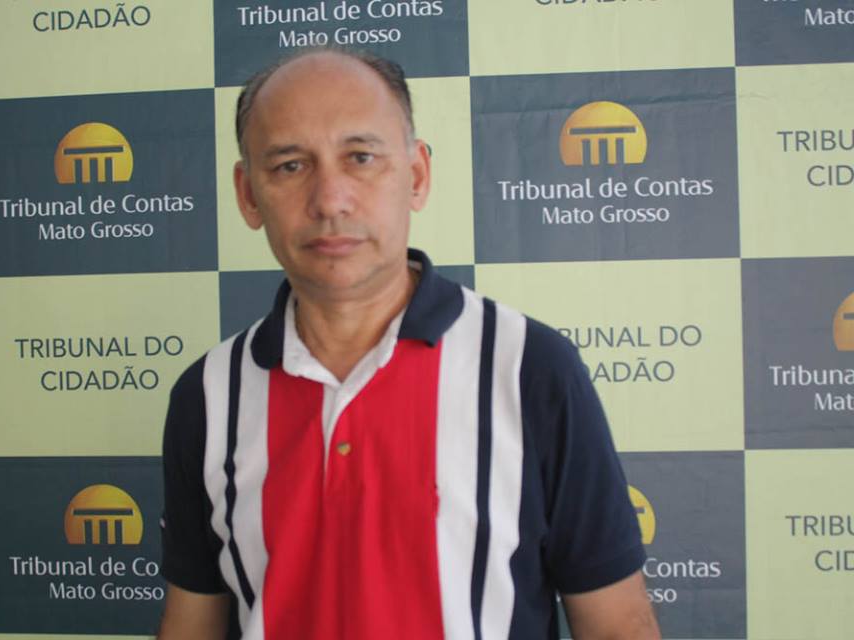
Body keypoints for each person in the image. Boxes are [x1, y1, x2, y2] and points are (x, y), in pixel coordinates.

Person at [157, 47, 661, 640]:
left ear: (416, 176)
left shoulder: (529, 367)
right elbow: (191, 624)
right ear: (248, 195)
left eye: (361, 157)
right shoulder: (209, 394)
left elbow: (617, 625)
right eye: (290, 166)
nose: (330, 199)